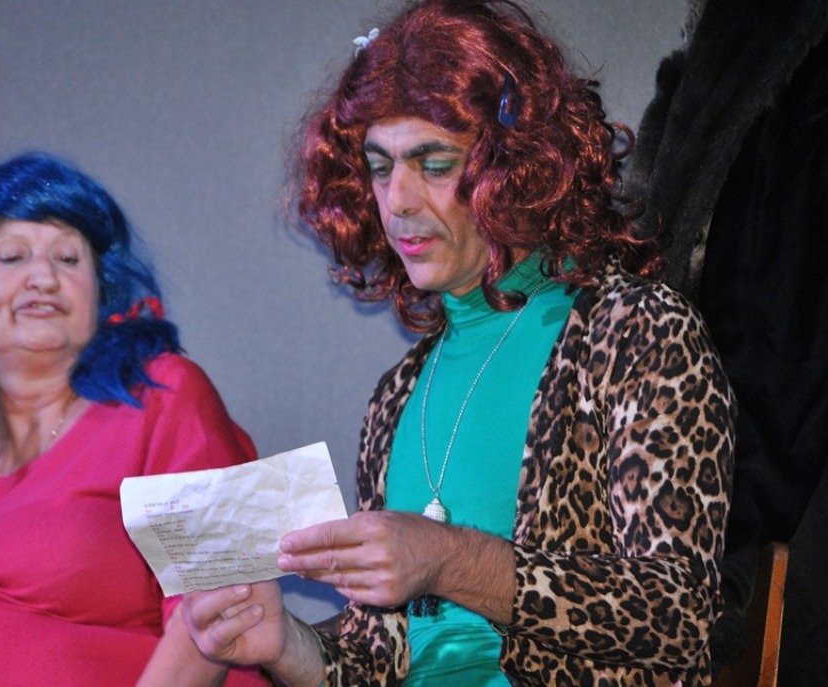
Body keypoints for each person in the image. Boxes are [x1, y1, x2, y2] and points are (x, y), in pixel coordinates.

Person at [174, 1, 736, 685]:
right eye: (379, 168)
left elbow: (678, 619)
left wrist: (449, 558)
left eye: (433, 164)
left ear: (518, 167)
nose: (398, 200)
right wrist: (286, 643)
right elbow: (380, 662)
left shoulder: (637, 332)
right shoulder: (398, 394)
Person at [0, 152, 268, 686]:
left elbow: (223, 607)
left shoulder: (166, 394)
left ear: (100, 291)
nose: (44, 277)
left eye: (68, 259)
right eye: (12, 256)